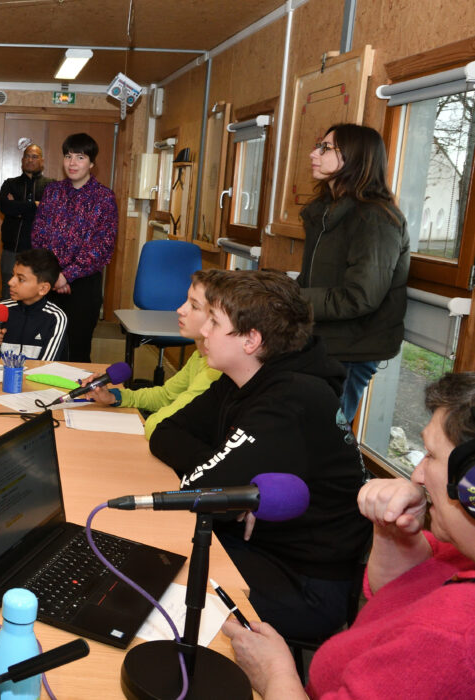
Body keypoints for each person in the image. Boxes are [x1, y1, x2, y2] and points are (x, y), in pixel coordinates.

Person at [222, 372, 475, 699]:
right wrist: (392, 529)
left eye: (431, 455)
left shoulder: (453, 638)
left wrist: (274, 673)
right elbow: (396, 595)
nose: (417, 475)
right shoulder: (462, 550)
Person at [149, 270, 370, 641]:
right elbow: (166, 433)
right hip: (260, 547)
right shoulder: (243, 379)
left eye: (215, 323)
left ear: (251, 340)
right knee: (155, 559)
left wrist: (224, 479)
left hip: (305, 583)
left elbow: (202, 489)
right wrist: (227, 469)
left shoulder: (290, 399)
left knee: (157, 585)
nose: (204, 331)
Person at [298, 123, 409, 424]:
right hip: (323, 340)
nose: (313, 153)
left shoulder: (376, 219)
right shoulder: (325, 211)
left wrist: (294, 299)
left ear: (356, 157)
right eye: (317, 145)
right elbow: (313, 280)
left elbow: (360, 297)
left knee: (327, 439)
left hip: (352, 349)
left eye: (325, 148)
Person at [81, 269, 223, 438]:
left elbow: (159, 425)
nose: (180, 309)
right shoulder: (199, 356)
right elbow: (165, 396)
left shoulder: (215, 369)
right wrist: (113, 397)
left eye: (194, 306)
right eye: (186, 300)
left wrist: (149, 421)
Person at [31, 132, 118, 362]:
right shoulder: (52, 193)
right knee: (43, 348)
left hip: (83, 287)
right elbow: (37, 236)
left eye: (80, 157)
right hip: (47, 283)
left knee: (77, 351)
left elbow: (102, 247)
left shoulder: (104, 198)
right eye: (68, 156)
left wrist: (66, 276)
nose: (72, 163)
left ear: (92, 163)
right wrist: (53, 275)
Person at [0, 248, 66, 361]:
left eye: (21, 279)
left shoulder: (55, 317)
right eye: (13, 275)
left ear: (43, 288)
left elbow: (46, 366)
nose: (10, 282)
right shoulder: (3, 308)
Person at [0, 144, 52, 300]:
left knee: (38, 296)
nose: (30, 159)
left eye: (35, 156)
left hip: (39, 254)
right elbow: (4, 206)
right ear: (22, 160)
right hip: (11, 251)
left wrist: (18, 209)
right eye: (27, 156)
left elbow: (50, 212)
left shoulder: (51, 186)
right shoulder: (10, 184)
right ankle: (4, 325)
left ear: (42, 160)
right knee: (8, 294)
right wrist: (34, 206)